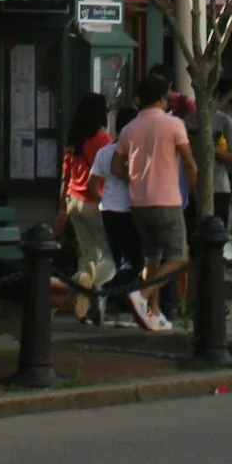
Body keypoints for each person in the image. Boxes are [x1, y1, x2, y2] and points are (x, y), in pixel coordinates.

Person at [114, 70, 193, 333]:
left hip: (138, 202)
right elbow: (190, 163)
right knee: (179, 255)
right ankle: (142, 295)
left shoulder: (129, 128)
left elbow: (116, 167)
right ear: (162, 98)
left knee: (152, 257)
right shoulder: (173, 125)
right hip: (167, 200)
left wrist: (136, 174)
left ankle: (153, 313)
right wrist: (197, 189)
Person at [59, 93, 115, 320]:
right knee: (109, 258)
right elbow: (110, 174)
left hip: (73, 201)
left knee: (87, 255)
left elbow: (65, 176)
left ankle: (90, 308)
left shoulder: (73, 139)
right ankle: (84, 286)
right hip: (95, 202)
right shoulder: (103, 140)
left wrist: (62, 207)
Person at [94, 128, 142, 323]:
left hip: (107, 209)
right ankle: (107, 292)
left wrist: (103, 198)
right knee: (136, 262)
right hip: (127, 210)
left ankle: (113, 304)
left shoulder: (103, 152)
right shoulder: (135, 151)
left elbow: (92, 182)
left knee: (119, 260)